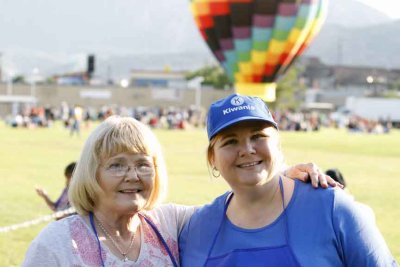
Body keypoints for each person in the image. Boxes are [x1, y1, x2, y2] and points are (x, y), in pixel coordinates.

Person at [23, 116, 339, 266]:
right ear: (93, 174)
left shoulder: (170, 224)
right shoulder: (58, 245)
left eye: (143, 164)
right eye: (117, 165)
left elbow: (234, 208)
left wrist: (278, 178)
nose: (133, 175)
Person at [179, 93, 397, 267]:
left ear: (278, 144)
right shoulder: (197, 228)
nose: (247, 149)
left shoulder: (331, 207)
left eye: (258, 136)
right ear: (212, 158)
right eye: (230, 142)